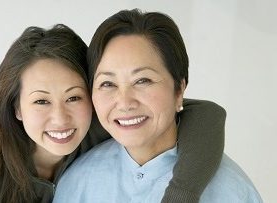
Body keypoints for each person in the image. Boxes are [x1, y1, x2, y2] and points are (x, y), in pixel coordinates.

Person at [0, 23, 226, 203]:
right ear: (16, 106)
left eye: (74, 97)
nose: (61, 119)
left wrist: (180, 195)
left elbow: (206, 113)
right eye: (41, 101)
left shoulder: (103, 121)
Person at [53, 9, 262, 203]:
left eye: (143, 80)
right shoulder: (77, 182)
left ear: (179, 89)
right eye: (108, 84)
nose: (125, 102)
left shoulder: (231, 191)